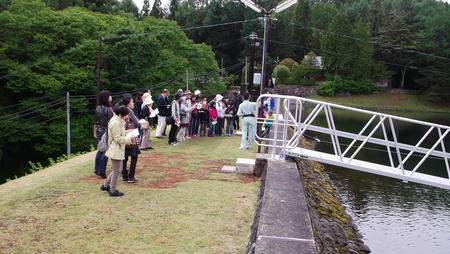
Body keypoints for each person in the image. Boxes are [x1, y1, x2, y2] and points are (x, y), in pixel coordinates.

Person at [100, 106, 137, 197]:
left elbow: (119, 133)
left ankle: (105, 185)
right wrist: (129, 139)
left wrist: (129, 131)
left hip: (117, 148)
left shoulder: (117, 120)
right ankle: (112, 190)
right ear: (120, 115)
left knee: (116, 170)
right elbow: (117, 138)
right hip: (115, 149)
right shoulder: (115, 122)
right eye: (126, 115)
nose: (127, 117)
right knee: (117, 171)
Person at [120, 94, 141, 183]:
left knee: (124, 157)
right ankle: (131, 176)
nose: (133, 103)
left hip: (123, 135)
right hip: (131, 135)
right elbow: (136, 122)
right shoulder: (129, 111)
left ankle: (124, 176)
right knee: (134, 156)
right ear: (128, 104)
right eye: (132, 102)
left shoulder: (119, 109)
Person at [94, 90, 114, 179]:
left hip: (98, 130)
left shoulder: (98, 107)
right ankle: (102, 171)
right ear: (106, 98)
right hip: (105, 131)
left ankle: (96, 169)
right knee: (106, 151)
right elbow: (111, 121)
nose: (111, 97)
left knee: (100, 150)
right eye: (109, 96)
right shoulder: (108, 109)